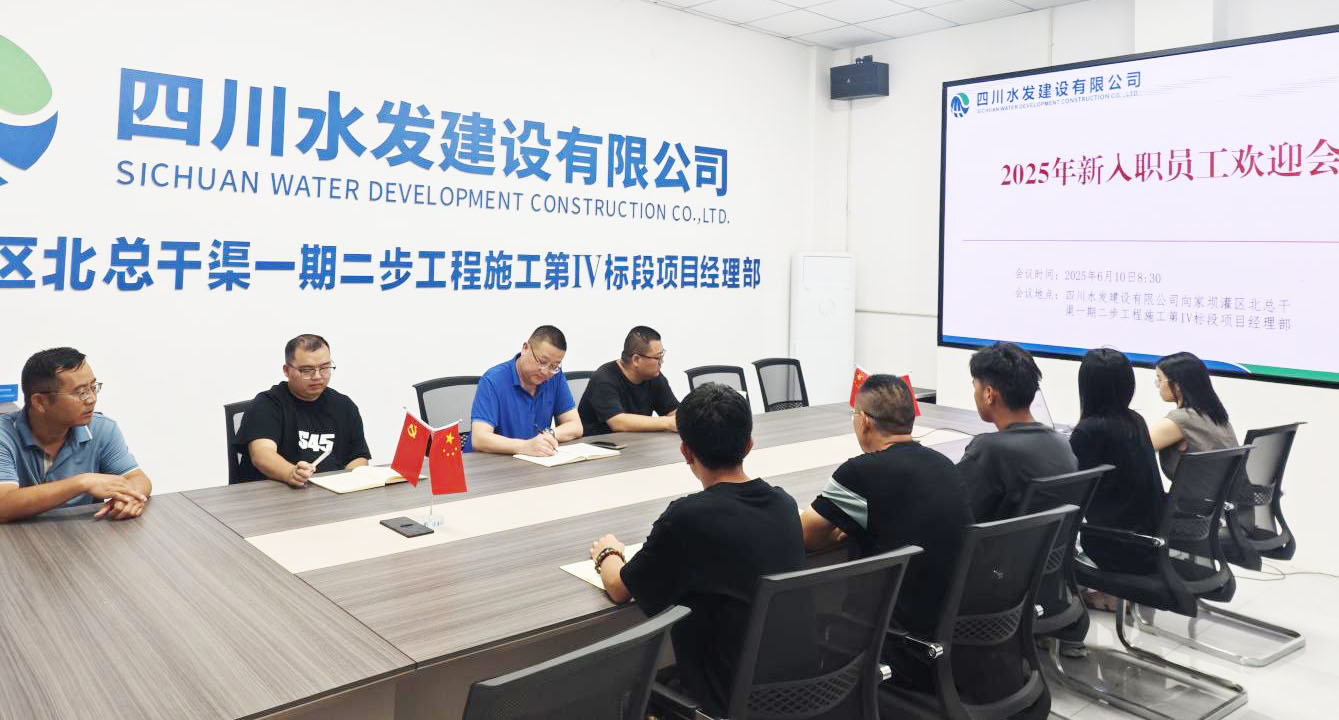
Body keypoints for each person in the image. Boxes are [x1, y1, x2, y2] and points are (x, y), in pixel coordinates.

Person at [588, 383, 804, 715]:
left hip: (722, 701)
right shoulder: (784, 504)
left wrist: (608, 553)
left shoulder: (687, 518)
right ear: (749, 445)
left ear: (686, 452)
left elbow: (619, 588)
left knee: (625, 692)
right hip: (797, 693)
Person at [800, 373, 973, 690]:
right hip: (950, 637)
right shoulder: (945, 466)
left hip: (894, 642)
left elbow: (806, 535)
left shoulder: (859, 473)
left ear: (865, 421)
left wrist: (839, 529)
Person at [0, 347, 151, 521]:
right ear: (40, 402)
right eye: (81, 392)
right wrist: (83, 483)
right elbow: (3, 505)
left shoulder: (102, 429)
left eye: (93, 387)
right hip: (20, 536)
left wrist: (129, 498)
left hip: (84, 533)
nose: (92, 399)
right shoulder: (5, 435)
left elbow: (137, 477)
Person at [1070, 349, 1166, 589]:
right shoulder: (1136, 422)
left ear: (1086, 386)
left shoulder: (1089, 431)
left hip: (1115, 546)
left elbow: (1068, 488)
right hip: (1149, 542)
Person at [958, 342, 1076, 522]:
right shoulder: (1062, 444)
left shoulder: (988, 450)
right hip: (1046, 541)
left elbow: (955, 511)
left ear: (989, 394)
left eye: (975, 387)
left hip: (997, 541)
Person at [235, 334, 370, 486]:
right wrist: (290, 473)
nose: (317, 376)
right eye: (307, 370)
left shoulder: (344, 406)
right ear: (287, 370)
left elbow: (358, 458)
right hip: (275, 494)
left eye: (325, 368)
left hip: (329, 493)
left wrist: (349, 483)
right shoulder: (267, 404)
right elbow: (262, 454)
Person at [469, 325, 582, 455]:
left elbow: (576, 426)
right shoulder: (493, 380)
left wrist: (548, 434)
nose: (546, 371)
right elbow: (479, 439)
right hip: (492, 462)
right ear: (525, 348)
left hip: (532, 461)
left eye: (554, 366)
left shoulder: (555, 377)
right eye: (542, 362)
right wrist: (524, 446)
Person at [1149, 351, 1237, 480]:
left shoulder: (1182, 419)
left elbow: (1134, 448)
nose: (1158, 386)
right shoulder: (1216, 415)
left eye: (1160, 379)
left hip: (1196, 493)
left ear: (1177, 385)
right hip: (1224, 492)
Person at [577, 325, 678, 436]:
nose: (661, 362)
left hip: (638, 442)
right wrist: (668, 423)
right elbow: (618, 422)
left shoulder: (653, 376)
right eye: (657, 358)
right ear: (636, 359)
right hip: (599, 443)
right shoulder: (604, 378)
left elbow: (674, 412)